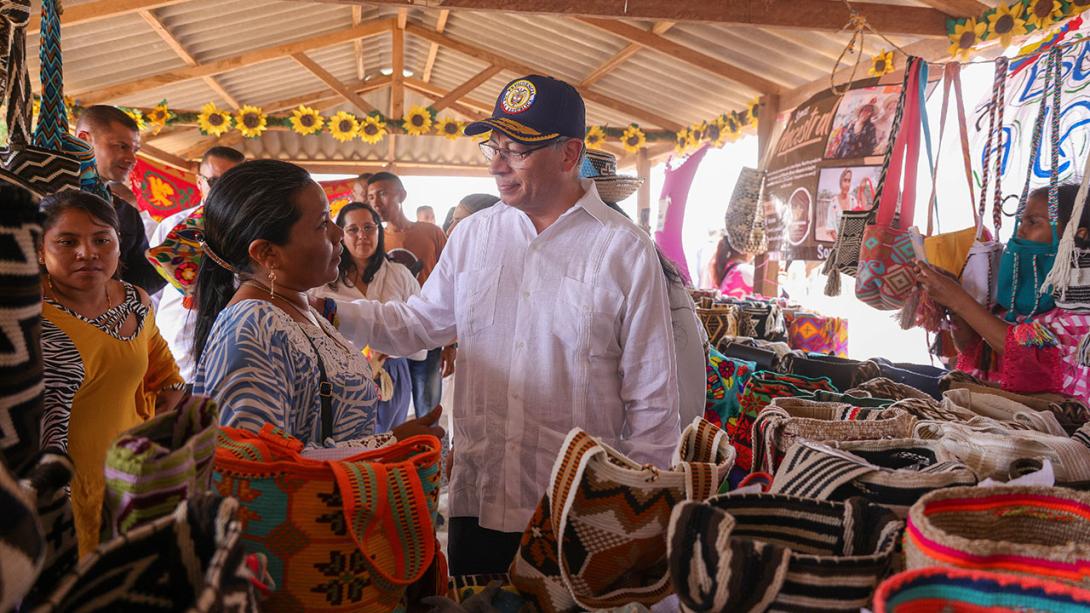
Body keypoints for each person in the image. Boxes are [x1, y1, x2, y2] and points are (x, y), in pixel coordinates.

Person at [329, 75, 680, 574]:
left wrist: (632, 511)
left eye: (516, 150)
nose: (497, 164)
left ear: (568, 153)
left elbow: (653, 397)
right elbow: (418, 324)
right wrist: (332, 311)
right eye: (494, 147)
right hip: (483, 497)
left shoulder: (624, 249)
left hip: (576, 509)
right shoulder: (474, 235)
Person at [190, 160, 443, 447]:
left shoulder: (300, 310)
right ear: (267, 253)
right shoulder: (252, 328)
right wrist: (385, 447)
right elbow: (255, 476)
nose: (338, 235)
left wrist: (386, 441)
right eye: (323, 224)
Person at [38, 191, 185, 556]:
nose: (87, 252)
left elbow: (162, 367)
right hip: (54, 491)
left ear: (120, 246)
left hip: (128, 479)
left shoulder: (136, 300)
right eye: (67, 241)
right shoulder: (22, 312)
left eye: (102, 240)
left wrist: (167, 398)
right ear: (40, 250)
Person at [915, 183, 1090, 401]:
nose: (1020, 231)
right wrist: (953, 303)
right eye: (1021, 221)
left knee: (880, 376)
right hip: (987, 404)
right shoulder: (1021, 296)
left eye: (1033, 222)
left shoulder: (1081, 310)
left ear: (1077, 236)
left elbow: (1031, 357)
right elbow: (976, 351)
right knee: (873, 371)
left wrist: (958, 299)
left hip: (1040, 422)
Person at [311, 202, 422, 432]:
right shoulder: (323, 280)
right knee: (352, 443)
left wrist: (386, 349)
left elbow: (419, 324)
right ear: (340, 234)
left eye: (369, 228)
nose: (362, 235)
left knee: (390, 442)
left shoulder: (399, 274)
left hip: (391, 373)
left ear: (379, 231)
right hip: (341, 375)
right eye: (353, 229)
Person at [150, 146, 245, 382]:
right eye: (215, 181)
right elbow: (153, 294)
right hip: (177, 342)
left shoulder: (250, 231)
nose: (223, 190)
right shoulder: (173, 226)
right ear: (199, 182)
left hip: (232, 342)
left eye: (232, 182)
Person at [367, 171, 452, 415]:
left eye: (382, 193)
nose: (376, 202)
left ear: (401, 195)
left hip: (430, 329)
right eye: (371, 196)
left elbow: (451, 284)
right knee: (393, 409)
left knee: (428, 408)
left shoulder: (431, 233)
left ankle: (430, 452)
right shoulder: (374, 240)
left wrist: (451, 344)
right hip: (393, 336)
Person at [75, 105, 165, 294]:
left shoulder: (127, 213)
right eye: (121, 146)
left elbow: (139, 282)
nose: (131, 158)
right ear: (84, 141)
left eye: (134, 150)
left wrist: (178, 258)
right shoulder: (49, 199)